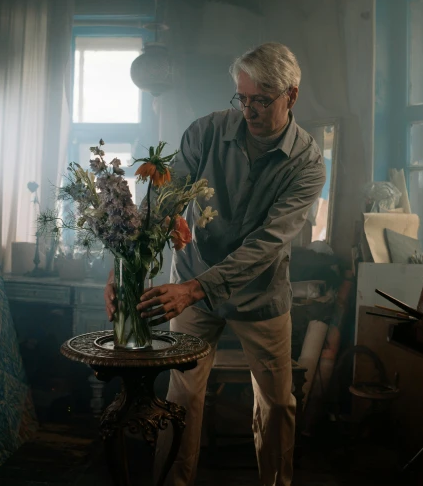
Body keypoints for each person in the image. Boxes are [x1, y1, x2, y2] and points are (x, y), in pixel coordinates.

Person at [104, 42, 325, 486]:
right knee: (181, 398)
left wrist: (197, 288)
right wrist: (124, 263)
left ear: (291, 96)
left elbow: (268, 244)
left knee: (278, 403)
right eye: (242, 98)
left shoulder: (308, 165)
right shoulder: (205, 132)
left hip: (260, 291)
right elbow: (163, 202)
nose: (249, 110)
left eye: (261, 100)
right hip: (190, 279)